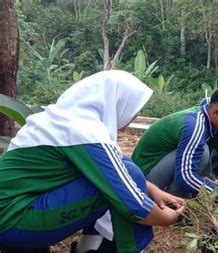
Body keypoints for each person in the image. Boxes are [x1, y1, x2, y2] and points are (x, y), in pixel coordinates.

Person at [0, 70, 185, 252]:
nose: (134, 116)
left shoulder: (63, 120)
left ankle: (90, 246)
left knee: (122, 172)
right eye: (134, 108)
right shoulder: (85, 132)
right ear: (117, 103)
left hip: (14, 209)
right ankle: (124, 248)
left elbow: (114, 168)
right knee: (121, 183)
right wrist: (170, 218)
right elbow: (132, 204)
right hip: (12, 219)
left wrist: (154, 190)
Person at [132, 86, 218, 211]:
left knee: (203, 151)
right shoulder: (195, 125)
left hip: (156, 171)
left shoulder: (209, 117)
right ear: (217, 112)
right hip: (145, 182)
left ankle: (187, 194)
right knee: (203, 152)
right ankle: (176, 203)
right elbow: (186, 176)